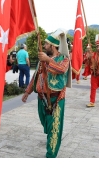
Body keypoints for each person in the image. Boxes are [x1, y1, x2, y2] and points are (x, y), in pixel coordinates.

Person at [22, 28, 71, 158]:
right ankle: (50, 137)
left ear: (53, 46)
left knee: (54, 128)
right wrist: (27, 92)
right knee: (46, 124)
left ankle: (51, 155)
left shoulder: (64, 59)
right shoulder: (43, 59)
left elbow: (61, 70)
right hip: (42, 99)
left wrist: (48, 61)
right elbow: (35, 77)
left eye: (46, 44)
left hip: (56, 100)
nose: (44, 46)